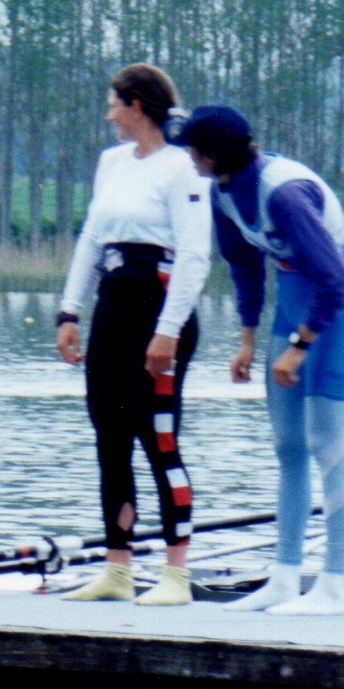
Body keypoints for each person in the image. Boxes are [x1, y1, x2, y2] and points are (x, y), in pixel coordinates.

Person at [171, 105, 344, 616]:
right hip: (293, 298)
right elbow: (245, 268)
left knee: (326, 441)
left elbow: (336, 280)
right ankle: (285, 579)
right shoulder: (221, 191)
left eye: (191, 149)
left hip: (340, 305)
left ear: (212, 154)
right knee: (288, 446)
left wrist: (299, 345)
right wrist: (247, 341)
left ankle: (333, 586)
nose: (186, 156)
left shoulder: (283, 194)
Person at [55, 64, 212, 606]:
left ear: (138, 106)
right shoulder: (111, 163)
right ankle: (117, 569)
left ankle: (175, 574)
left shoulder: (182, 167)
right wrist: (69, 312)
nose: (108, 115)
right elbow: (91, 239)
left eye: (113, 105)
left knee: (158, 439)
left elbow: (194, 255)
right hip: (114, 306)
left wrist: (167, 331)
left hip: (161, 305)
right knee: (110, 438)